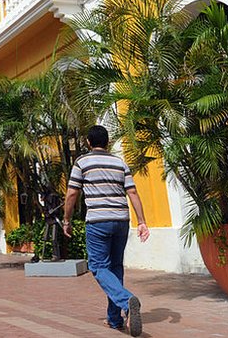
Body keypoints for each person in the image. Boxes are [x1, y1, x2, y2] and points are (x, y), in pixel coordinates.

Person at [63, 125, 150, 337]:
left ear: (88, 142)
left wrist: (66, 220)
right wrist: (142, 221)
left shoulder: (82, 162)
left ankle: (126, 302)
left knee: (98, 266)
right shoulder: (119, 163)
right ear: (108, 142)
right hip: (121, 220)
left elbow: (72, 193)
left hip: (98, 221)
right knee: (115, 267)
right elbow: (133, 191)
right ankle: (114, 319)